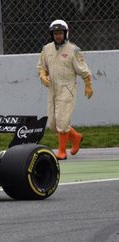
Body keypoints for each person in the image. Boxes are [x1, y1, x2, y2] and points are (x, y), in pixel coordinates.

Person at [36, 19, 93, 160]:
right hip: (52, 90)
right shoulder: (46, 49)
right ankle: (76, 137)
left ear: (66, 33)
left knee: (62, 122)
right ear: (52, 35)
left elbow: (83, 70)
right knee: (53, 124)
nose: (58, 36)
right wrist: (43, 75)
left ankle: (62, 152)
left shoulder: (73, 50)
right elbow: (41, 66)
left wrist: (88, 84)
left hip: (67, 89)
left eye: (60, 33)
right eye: (55, 33)